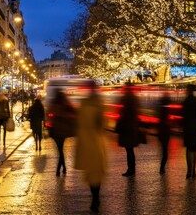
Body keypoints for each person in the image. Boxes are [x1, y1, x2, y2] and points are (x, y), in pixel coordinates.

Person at [74, 80, 107, 212]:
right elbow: (102, 125)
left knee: (91, 172)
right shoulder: (99, 105)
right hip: (95, 142)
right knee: (96, 172)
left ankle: (95, 198)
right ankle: (95, 198)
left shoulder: (83, 104)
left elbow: (78, 123)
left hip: (85, 142)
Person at [115, 82, 144, 176]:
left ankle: (131, 169)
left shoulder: (126, 98)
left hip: (127, 128)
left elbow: (122, 112)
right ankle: (132, 169)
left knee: (129, 150)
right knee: (130, 150)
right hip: (132, 127)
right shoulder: (134, 98)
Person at [47, 89, 76, 176]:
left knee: (60, 150)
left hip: (55, 132)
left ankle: (60, 169)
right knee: (60, 150)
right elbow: (74, 113)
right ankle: (62, 168)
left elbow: (48, 117)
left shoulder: (53, 105)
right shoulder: (65, 105)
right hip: (63, 131)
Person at [181, 84, 196, 179]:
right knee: (194, 150)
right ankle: (193, 170)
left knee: (188, 150)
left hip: (187, 128)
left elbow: (182, 116)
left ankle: (188, 171)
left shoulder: (185, 102)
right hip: (195, 128)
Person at [158, 91, 171, 175]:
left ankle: (162, 167)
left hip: (162, 132)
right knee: (165, 152)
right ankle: (162, 168)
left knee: (164, 151)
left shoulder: (161, 109)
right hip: (166, 132)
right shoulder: (166, 109)